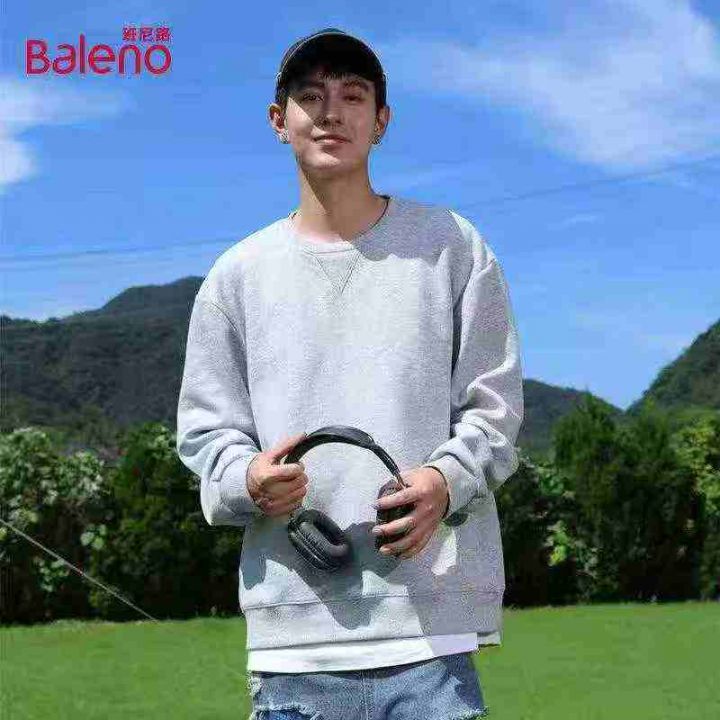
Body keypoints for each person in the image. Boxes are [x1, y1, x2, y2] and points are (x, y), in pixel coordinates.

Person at [176, 27, 524, 720]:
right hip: (292, 651)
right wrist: (247, 479)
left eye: (353, 96)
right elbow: (206, 433)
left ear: (382, 120)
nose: (331, 112)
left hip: (432, 644)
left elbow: (495, 408)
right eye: (310, 97)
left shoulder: (451, 247)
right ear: (279, 121)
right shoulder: (235, 277)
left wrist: (444, 481)